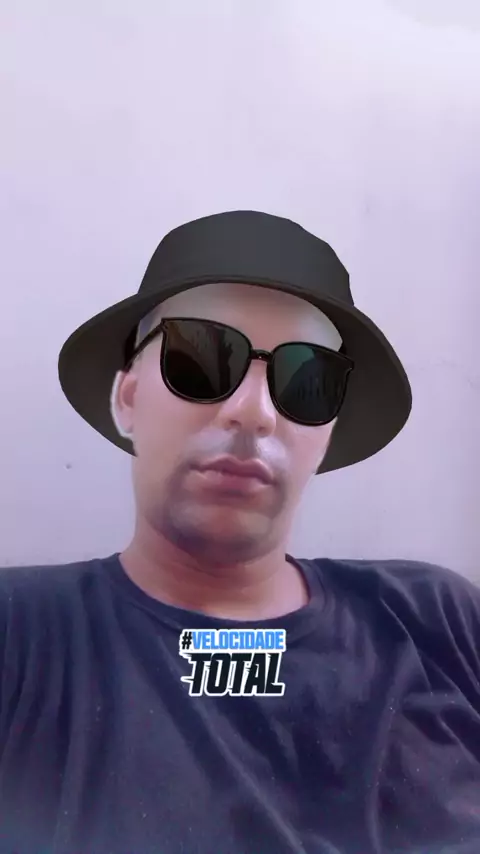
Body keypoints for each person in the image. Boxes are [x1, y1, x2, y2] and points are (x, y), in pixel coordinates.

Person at [0, 210, 478, 854]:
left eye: (306, 379)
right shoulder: (20, 634)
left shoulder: (439, 623)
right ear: (128, 397)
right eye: (201, 357)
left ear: (327, 430)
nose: (254, 412)